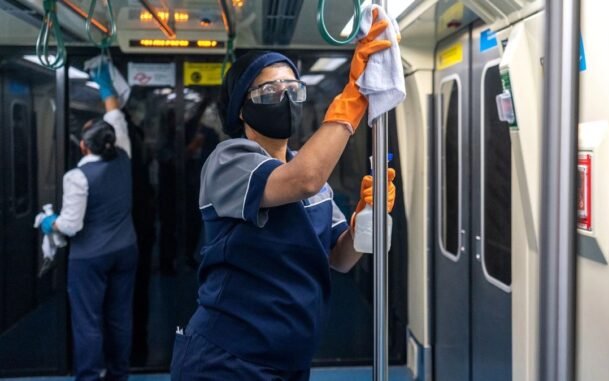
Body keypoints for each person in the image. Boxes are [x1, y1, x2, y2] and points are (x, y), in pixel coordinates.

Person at [170, 11, 397, 381]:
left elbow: (340, 259)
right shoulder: (230, 161)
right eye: (271, 91)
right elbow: (302, 180)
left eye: (294, 89)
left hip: (289, 358)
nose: (286, 98)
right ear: (241, 108)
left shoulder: (306, 169)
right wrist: (352, 99)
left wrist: (363, 221)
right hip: (227, 359)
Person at [40, 63, 137, 380]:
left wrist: (47, 221)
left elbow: (70, 225)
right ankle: (119, 373)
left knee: (88, 320)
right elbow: (116, 118)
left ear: (83, 146)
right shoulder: (122, 153)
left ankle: (90, 376)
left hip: (90, 257)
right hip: (126, 250)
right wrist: (107, 89)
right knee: (119, 316)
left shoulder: (77, 176)